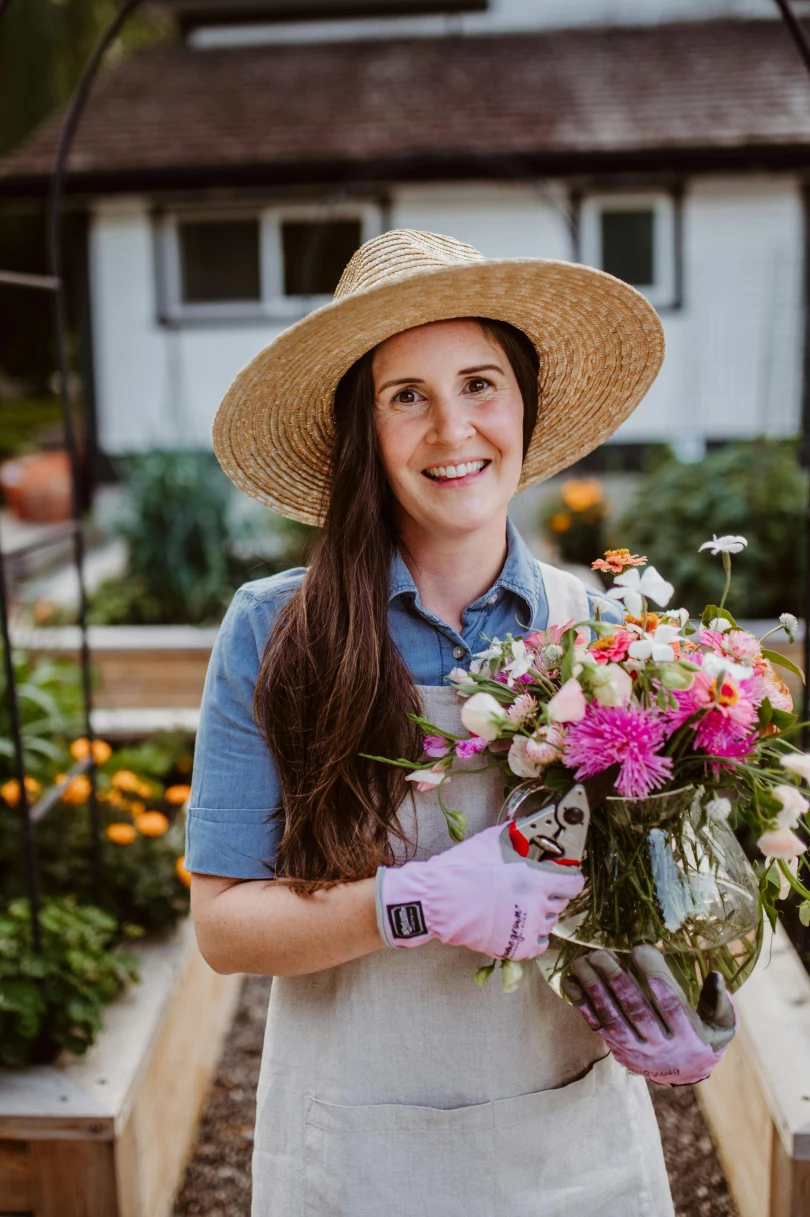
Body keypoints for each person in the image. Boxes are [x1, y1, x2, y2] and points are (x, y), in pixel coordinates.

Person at [188, 229, 735, 1217]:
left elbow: (661, 892)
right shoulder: (278, 632)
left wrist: (696, 996)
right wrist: (416, 899)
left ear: (524, 402)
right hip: (354, 1161)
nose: (454, 429)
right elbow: (225, 927)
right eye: (408, 396)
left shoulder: (609, 632)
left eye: (480, 383)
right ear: (364, 427)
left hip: (573, 1157)